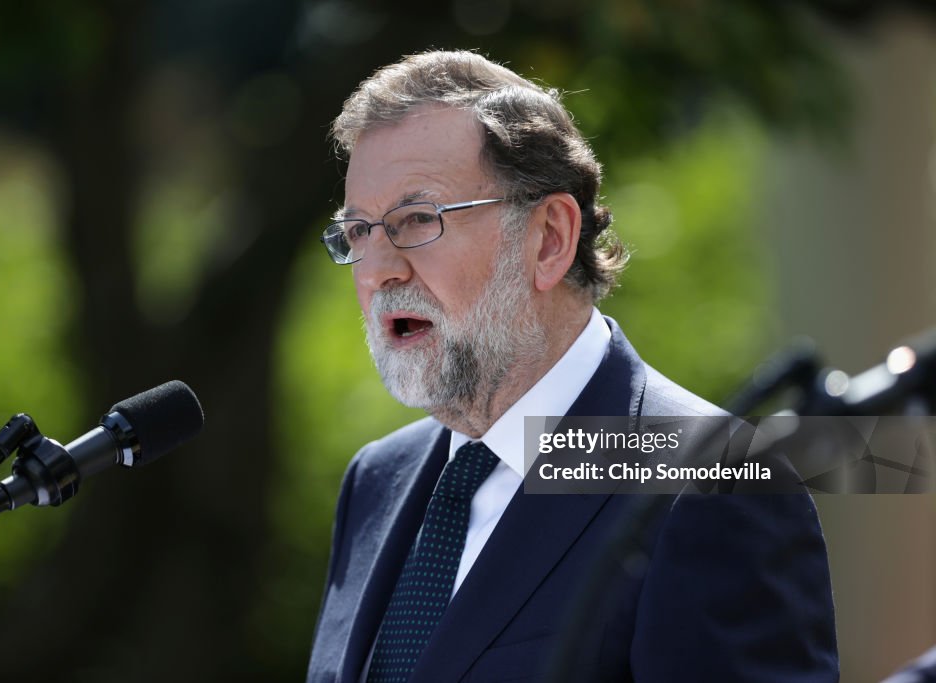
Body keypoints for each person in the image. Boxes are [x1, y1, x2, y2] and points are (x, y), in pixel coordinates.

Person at [307, 50, 838, 682]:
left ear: (550, 239)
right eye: (359, 232)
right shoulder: (376, 480)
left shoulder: (715, 485)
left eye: (417, 219)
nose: (376, 270)